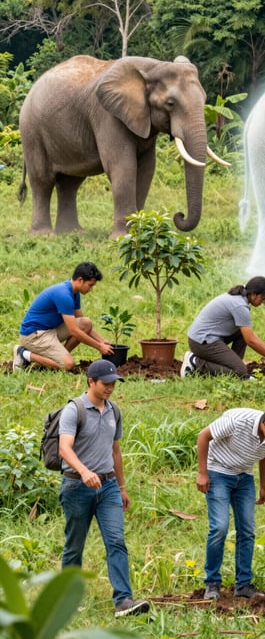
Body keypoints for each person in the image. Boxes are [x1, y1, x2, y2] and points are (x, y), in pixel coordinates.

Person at [58, 360, 150, 617]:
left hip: (108, 486)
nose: (110, 388)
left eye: (113, 383)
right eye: (105, 383)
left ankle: (123, 600)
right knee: (75, 544)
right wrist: (84, 472)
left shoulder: (114, 410)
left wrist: (121, 487)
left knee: (116, 541)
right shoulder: (74, 410)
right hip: (77, 486)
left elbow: (116, 450)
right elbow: (64, 448)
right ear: (91, 382)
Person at [196, 404, 265, 600]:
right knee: (219, 527)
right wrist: (202, 473)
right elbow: (203, 436)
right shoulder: (237, 421)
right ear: (264, 423)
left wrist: (263, 487)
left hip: (244, 476)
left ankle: (243, 584)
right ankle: (212, 583)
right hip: (218, 472)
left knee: (247, 530)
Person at [14, 262, 113, 372]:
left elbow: (82, 323)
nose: (91, 289)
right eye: (90, 285)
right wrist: (99, 347)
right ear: (80, 280)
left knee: (86, 323)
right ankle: (23, 353)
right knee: (68, 365)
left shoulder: (74, 293)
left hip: (49, 330)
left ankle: (57, 358)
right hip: (34, 336)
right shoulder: (64, 295)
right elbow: (74, 330)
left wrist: (102, 341)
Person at [181, 277, 265, 378]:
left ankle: (233, 364)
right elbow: (251, 340)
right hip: (201, 342)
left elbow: (248, 335)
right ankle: (195, 362)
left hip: (205, 338)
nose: (262, 303)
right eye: (262, 298)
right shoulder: (240, 306)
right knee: (240, 372)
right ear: (254, 294)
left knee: (242, 334)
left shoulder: (239, 297)